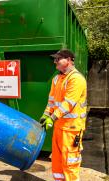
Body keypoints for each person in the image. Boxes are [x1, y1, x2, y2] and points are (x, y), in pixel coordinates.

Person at [40, 49, 87, 181]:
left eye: (58, 59)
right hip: (59, 127)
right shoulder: (57, 79)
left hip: (72, 129)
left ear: (69, 60)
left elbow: (68, 104)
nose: (55, 62)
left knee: (70, 163)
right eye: (54, 59)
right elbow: (51, 101)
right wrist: (45, 115)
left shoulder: (76, 79)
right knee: (57, 161)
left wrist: (52, 117)